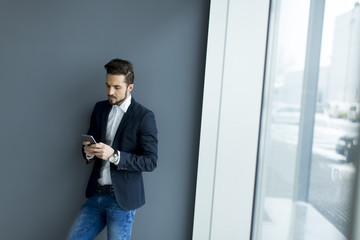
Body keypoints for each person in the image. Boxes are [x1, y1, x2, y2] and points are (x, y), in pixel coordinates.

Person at [67, 58, 158, 240]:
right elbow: (89, 144)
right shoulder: (99, 109)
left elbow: (150, 161)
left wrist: (114, 155)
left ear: (129, 87)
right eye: (107, 86)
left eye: (116, 87)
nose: (110, 92)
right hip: (96, 194)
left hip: (121, 199)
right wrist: (88, 152)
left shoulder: (144, 116)